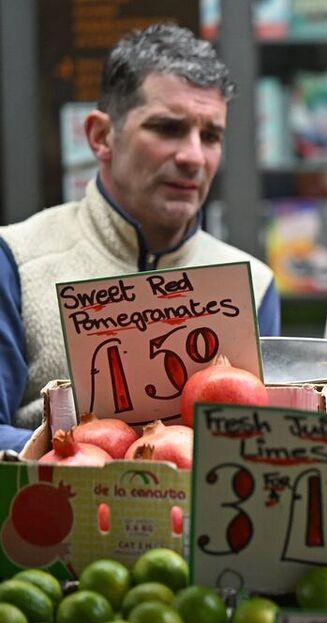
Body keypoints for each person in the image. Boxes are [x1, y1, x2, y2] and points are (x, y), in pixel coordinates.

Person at [0, 24, 280, 451]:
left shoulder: (254, 284)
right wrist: (85, 457)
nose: (193, 156)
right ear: (100, 136)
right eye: (168, 128)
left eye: (210, 136)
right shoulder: (17, 259)